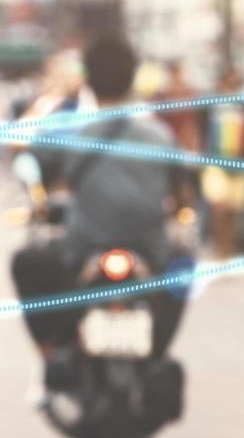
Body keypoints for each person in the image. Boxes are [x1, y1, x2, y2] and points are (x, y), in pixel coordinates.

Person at [12, 33, 184, 361]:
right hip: (150, 251)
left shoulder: (67, 130)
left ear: (87, 76)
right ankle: (160, 347)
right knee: (185, 263)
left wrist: (38, 196)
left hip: (82, 249)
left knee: (26, 262)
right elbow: (181, 190)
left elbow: (30, 162)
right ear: (133, 77)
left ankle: (48, 353)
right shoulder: (160, 135)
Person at [200, 66, 244, 260]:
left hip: (240, 163)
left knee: (234, 211)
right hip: (217, 161)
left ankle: (228, 248)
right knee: (218, 207)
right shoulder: (212, 104)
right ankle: (219, 247)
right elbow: (201, 130)